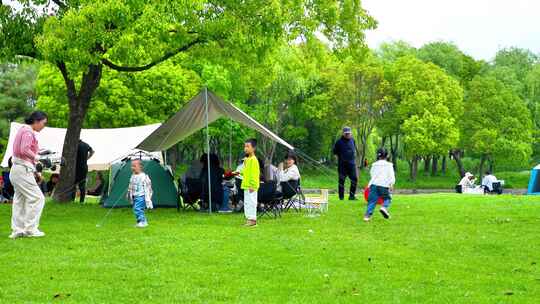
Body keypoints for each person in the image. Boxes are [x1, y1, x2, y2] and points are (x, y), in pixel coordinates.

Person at [9, 111, 48, 239]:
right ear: (37, 121)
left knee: (19, 200)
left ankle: (17, 230)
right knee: (38, 198)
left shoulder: (22, 130)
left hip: (16, 169)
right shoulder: (28, 132)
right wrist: (38, 157)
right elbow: (24, 149)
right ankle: (30, 229)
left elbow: (22, 150)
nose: (44, 126)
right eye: (43, 123)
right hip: (22, 170)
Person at [364, 148, 395, 222]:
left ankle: (367, 216)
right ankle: (384, 207)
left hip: (373, 184)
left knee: (372, 201)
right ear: (387, 156)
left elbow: (371, 173)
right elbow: (391, 175)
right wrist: (391, 183)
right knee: (388, 198)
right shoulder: (389, 165)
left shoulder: (374, 165)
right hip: (383, 185)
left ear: (378, 156)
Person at [333, 127, 358, 201]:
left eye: (349, 133)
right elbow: (335, 152)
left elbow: (354, 151)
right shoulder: (338, 142)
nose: (347, 134)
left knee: (354, 179)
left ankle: (352, 196)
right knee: (341, 181)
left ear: (351, 133)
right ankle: (341, 197)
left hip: (352, 164)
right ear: (343, 133)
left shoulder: (353, 140)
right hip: (342, 165)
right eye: (346, 133)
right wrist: (339, 160)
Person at [127, 159, 153, 228]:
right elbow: (130, 186)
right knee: (136, 209)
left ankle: (143, 222)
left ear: (140, 166)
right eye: (131, 166)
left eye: (134, 166)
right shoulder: (133, 176)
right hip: (135, 196)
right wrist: (129, 194)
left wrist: (148, 197)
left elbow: (148, 187)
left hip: (141, 196)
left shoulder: (143, 176)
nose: (132, 168)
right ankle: (140, 222)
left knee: (137, 208)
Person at [240, 138, 260, 227]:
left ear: (253, 148)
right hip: (246, 185)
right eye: (245, 146)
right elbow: (245, 172)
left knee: (252, 202)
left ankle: (252, 220)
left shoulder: (254, 160)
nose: (246, 148)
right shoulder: (247, 160)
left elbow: (255, 174)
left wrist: (252, 185)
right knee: (247, 203)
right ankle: (249, 219)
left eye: (248, 146)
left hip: (251, 186)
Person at [74, 139, 94, 203]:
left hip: (76, 167)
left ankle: (72, 199)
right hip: (84, 166)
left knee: (73, 184)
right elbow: (92, 151)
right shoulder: (86, 144)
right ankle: (82, 201)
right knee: (82, 184)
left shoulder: (75, 145)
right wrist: (86, 158)